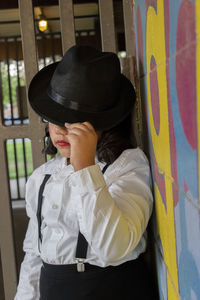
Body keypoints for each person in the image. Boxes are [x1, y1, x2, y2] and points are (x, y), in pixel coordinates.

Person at [15, 45, 154, 300]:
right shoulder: (41, 177)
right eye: (54, 117)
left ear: (105, 122)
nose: (60, 130)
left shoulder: (128, 166)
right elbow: (34, 255)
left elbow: (113, 247)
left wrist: (85, 167)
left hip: (112, 289)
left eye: (75, 121)